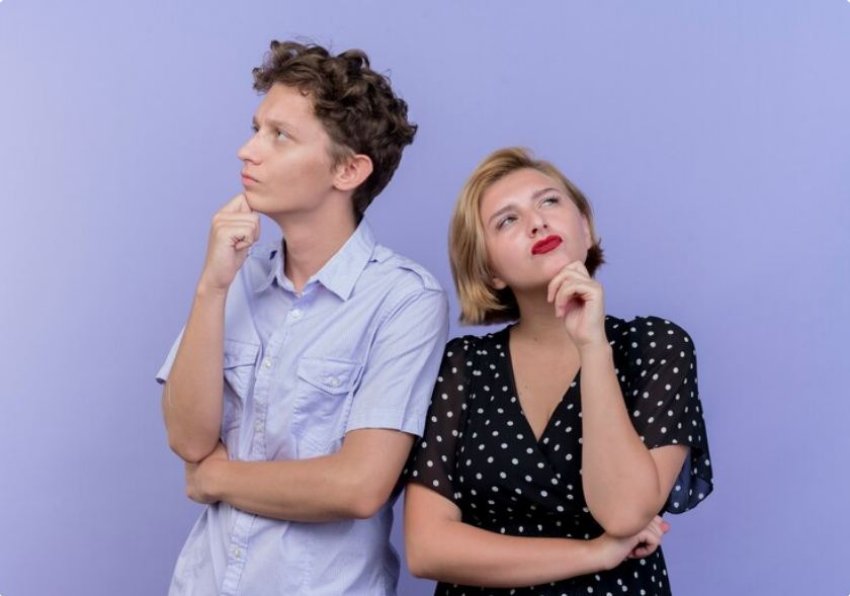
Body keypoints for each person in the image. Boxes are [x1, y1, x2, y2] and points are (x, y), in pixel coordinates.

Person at [156, 40, 449, 595]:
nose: (247, 150)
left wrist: (218, 477)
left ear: (348, 170)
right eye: (256, 128)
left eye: (280, 135)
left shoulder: (404, 300)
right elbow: (188, 441)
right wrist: (211, 287)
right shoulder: (237, 278)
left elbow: (358, 487)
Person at [404, 147, 713, 595]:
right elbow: (427, 549)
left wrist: (592, 346)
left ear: (585, 228)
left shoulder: (656, 347)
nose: (537, 222)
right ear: (490, 270)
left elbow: (624, 513)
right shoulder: (463, 365)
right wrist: (595, 554)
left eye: (549, 201)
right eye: (507, 221)